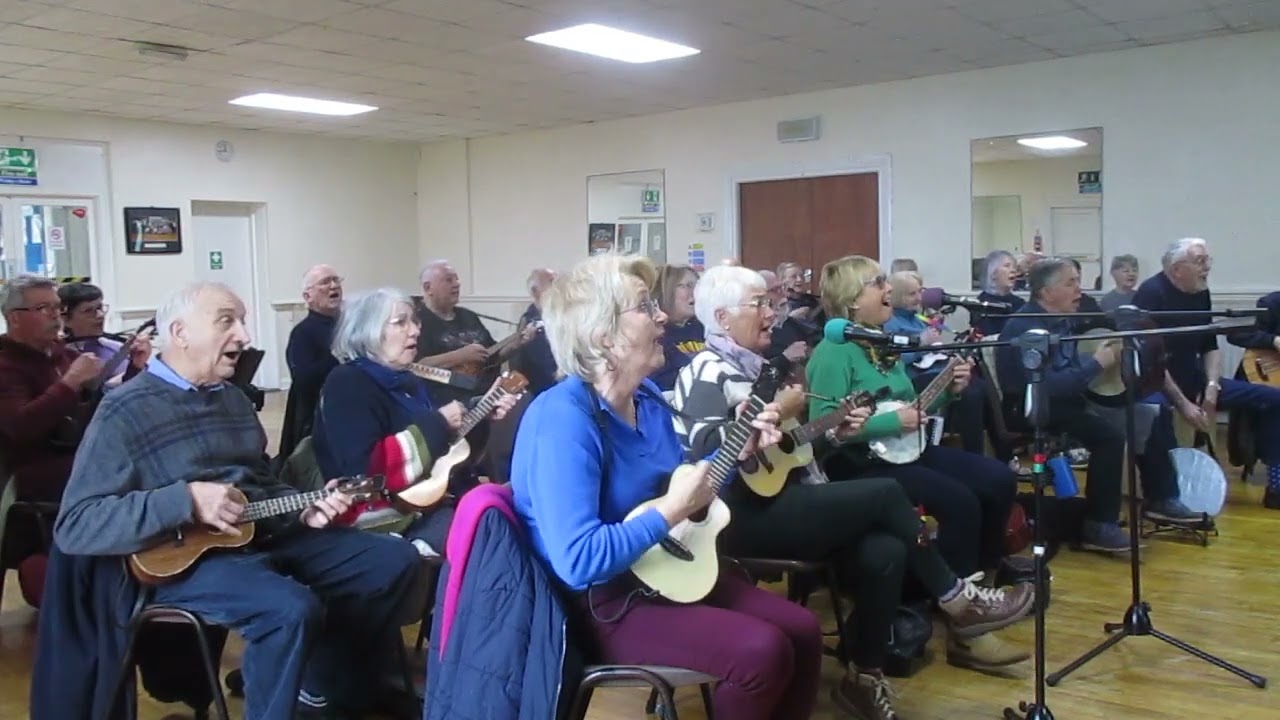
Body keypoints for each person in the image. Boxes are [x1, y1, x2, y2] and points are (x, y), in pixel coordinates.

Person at [52, 281, 420, 720]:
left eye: (242, 322)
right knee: (288, 609)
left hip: (260, 537)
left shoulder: (233, 400)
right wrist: (183, 500)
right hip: (185, 558)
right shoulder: (123, 411)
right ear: (180, 332)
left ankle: (320, 690)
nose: (244, 335)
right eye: (227, 321)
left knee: (395, 562)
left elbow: (261, 483)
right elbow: (76, 524)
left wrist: (302, 507)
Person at [673, 265, 1033, 705]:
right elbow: (705, 452)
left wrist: (831, 433)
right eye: (760, 303)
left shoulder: (757, 367)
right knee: (885, 493)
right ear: (723, 318)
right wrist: (771, 410)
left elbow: (787, 451)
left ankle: (864, 676)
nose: (773, 310)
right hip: (738, 512)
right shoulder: (706, 370)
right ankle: (959, 599)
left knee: (887, 548)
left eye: (770, 302)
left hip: (781, 494)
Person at [510, 253, 827, 720]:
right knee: (762, 652)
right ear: (604, 336)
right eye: (644, 306)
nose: (662, 316)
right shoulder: (562, 419)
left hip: (661, 568)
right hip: (598, 602)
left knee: (801, 628)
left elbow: (687, 490)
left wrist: (736, 453)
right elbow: (578, 561)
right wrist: (671, 513)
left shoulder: (648, 398)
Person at [808, 256, 1020, 581]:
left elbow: (909, 407)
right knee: (960, 501)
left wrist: (950, 390)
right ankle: (955, 589)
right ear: (852, 301)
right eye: (878, 282)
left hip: (906, 449)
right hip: (859, 463)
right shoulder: (833, 351)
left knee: (999, 479)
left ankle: (987, 565)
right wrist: (894, 423)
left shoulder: (878, 343)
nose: (889, 287)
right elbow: (822, 428)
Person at [998, 258, 1200, 554]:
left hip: (1067, 399)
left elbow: (1070, 367)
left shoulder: (1065, 318)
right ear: (1045, 291)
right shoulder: (1026, 327)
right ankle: (1098, 524)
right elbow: (1047, 385)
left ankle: (1161, 498)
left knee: (1149, 412)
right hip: (1032, 406)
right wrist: (1096, 365)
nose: (1079, 290)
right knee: (1109, 436)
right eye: (1070, 283)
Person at [312, 287, 518, 554]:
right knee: (489, 534)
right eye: (401, 322)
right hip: (390, 511)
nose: (415, 331)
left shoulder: (407, 379)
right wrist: (439, 423)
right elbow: (365, 471)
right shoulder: (347, 382)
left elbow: (445, 453)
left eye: (414, 321)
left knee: (509, 511)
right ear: (369, 331)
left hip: (432, 497)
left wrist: (480, 416)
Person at [1135, 238, 1280, 509]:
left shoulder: (1200, 291)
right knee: (1158, 413)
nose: (1207, 267)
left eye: (1207, 260)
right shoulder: (1151, 293)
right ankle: (1166, 496)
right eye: (1200, 261)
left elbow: (1210, 345)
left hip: (1195, 380)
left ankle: (1278, 486)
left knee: (1275, 398)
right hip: (1157, 383)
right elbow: (1153, 360)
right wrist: (1183, 403)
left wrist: (1212, 387)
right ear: (1177, 269)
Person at [0, 275, 102, 503]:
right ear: (15, 318)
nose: (55, 315)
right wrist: (71, 382)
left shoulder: (61, 352)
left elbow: (95, 401)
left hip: (78, 452)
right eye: (43, 308)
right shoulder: (6, 365)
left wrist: (132, 370)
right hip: (35, 470)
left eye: (57, 307)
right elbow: (21, 427)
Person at [279, 264, 343, 463]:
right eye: (325, 282)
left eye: (336, 280)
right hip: (318, 416)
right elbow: (303, 379)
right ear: (308, 297)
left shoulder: (349, 324)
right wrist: (337, 358)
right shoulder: (302, 333)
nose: (333, 286)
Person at [413, 260, 497, 402]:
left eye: (456, 279)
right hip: (441, 404)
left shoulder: (469, 316)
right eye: (448, 280)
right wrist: (460, 356)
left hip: (480, 401)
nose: (457, 284)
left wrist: (515, 344)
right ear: (428, 288)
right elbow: (416, 367)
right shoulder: (416, 323)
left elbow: (491, 355)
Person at [58, 281, 151, 388]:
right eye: (89, 311)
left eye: (100, 308)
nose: (100, 315)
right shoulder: (59, 356)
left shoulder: (116, 347)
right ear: (65, 319)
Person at [648, 263, 704, 391]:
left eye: (698, 286)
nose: (695, 292)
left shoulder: (703, 327)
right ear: (666, 290)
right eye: (688, 286)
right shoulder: (656, 333)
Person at [512, 267, 559, 397]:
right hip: (543, 390)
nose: (559, 287)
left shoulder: (561, 315)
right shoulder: (529, 321)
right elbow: (545, 368)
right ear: (535, 292)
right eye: (552, 282)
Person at [972, 250, 1026, 337]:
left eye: (1014, 267)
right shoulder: (980, 303)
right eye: (1007, 266)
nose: (1013, 270)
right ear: (993, 274)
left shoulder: (1019, 303)